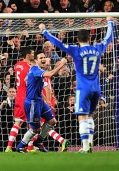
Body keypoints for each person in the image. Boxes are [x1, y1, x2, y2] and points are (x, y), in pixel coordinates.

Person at [39, 16, 114, 153]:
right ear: (89, 38)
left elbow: (59, 43)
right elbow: (108, 38)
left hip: (83, 88)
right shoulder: (97, 49)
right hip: (96, 88)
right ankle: (89, 144)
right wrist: (109, 22)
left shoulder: (76, 50)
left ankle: (85, 147)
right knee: (90, 115)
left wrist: (44, 31)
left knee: (82, 116)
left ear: (78, 40)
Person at [16, 51, 67, 153]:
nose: (43, 59)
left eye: (44, 57)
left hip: (39, 101)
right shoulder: (35, 70)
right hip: (32, 103)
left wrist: (46, 100)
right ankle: (20, 146)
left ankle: (38, 142)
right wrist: (62, 63)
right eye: (41, 58)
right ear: (36, 60)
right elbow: (51, 73)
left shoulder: (36, 71)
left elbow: (28, 80)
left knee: (52, 121)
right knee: (35, 129)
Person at [5, 47, 35, 152]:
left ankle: (9, 146)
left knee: (17, 122)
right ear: (27, 55)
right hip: (27, 96)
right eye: (32, 53)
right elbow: (28, 82)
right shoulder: (30, 67)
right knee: (33, 123)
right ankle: (30, 147)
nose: (33, 55)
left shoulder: (17, 65)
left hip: (19, 97)